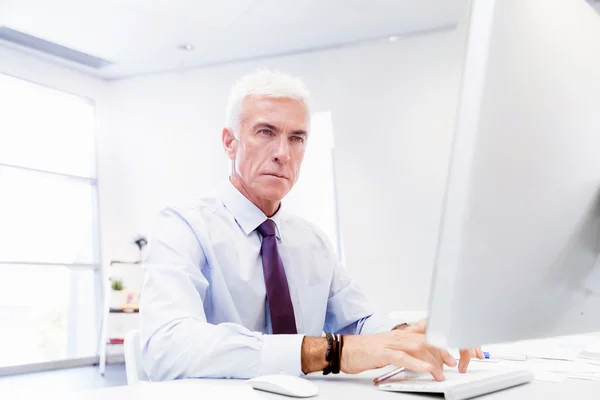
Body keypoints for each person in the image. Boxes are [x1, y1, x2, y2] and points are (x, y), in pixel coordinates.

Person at [140, 69, 482, 381]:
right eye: (265, 132)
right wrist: (330, 353)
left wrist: (410, 334)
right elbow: (166, 347)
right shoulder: (183, 226)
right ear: (230, 142)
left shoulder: (310, 240)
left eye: (296, 138)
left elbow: (358, 321)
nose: (283, 153)